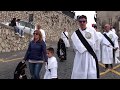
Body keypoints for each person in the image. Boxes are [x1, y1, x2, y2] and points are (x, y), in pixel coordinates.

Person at [71, 15, 99, 79]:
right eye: (80, 21)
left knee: (91, 73)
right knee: (79, 73)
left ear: (86, 22)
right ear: (78, 22)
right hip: (80, 56)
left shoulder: (92, 31)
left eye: (84, 21)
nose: (82, 23)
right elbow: (75, 47)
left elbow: (96, 43)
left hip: (90, 55)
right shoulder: (75, 34)